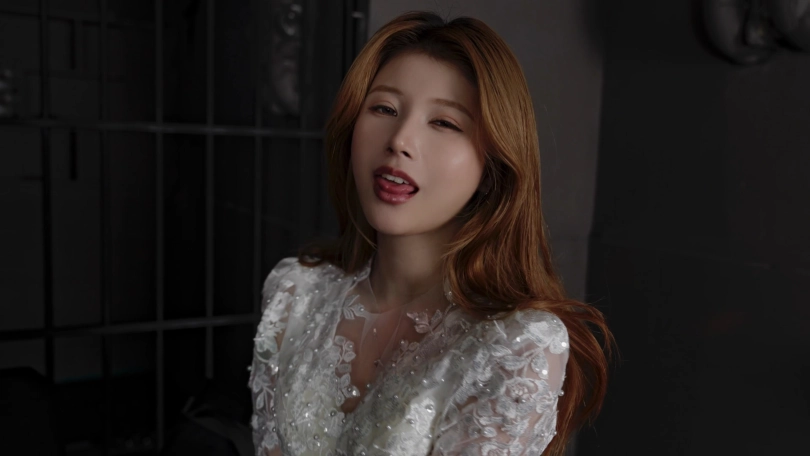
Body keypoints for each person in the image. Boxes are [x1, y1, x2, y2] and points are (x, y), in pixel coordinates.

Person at [248, 11, 613, 456]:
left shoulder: (515, 346)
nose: (400, 140)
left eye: (444, 123)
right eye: (384, 109)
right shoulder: (295, 293)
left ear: (492, 167)